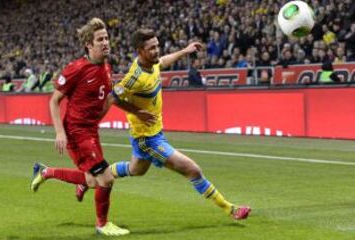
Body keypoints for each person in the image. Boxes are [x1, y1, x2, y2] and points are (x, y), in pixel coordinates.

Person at [78, 28, 251, 221]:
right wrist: (136, 112)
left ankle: (90, 177)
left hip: (154, 132)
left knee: (136, 170)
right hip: (147, 138)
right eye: (152, 48)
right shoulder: (135, 77)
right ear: (140, 50)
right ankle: (231, 209)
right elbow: (112, 97)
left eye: (157, 46)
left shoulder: (151, 64)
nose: (157, 51)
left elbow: (163, 61)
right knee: (193, 170)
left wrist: (185, 51)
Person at [29, 18, 152, 236]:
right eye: (100, 39)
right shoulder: (76, 69)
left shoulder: (106, 67)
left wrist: (135, 111)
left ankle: (45, 172)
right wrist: (59, 132)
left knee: (92, 180)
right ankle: (102, 224)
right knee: (106, 178)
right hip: (77, 133)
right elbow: (54, 100)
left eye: (107, 38)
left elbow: (110, 99)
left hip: (91, 131)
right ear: (89, 44)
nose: (106, 42)